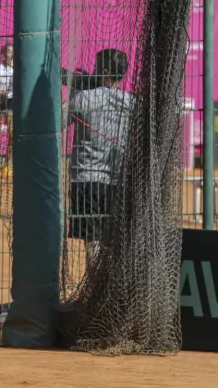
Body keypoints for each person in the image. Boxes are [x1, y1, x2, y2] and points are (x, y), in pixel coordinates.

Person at [66, 48, 133, 270]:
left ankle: (95, 290)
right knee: (110, 241)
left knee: (93, 242)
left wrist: (75, 94)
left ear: (104, 71)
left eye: (96, 68)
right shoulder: (130, 103)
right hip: (116, 179)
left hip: (86, 178)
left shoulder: (84, 98)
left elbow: (58, 123)